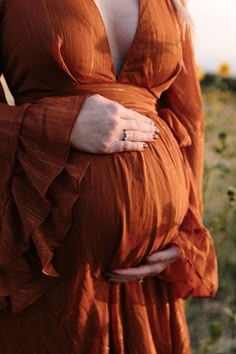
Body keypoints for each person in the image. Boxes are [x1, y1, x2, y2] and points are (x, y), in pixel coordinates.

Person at [0, 0, 218, 353]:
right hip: (48, 264)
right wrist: (58, 123)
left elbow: (187, 119)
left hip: (149, 278)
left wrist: (185, 233)